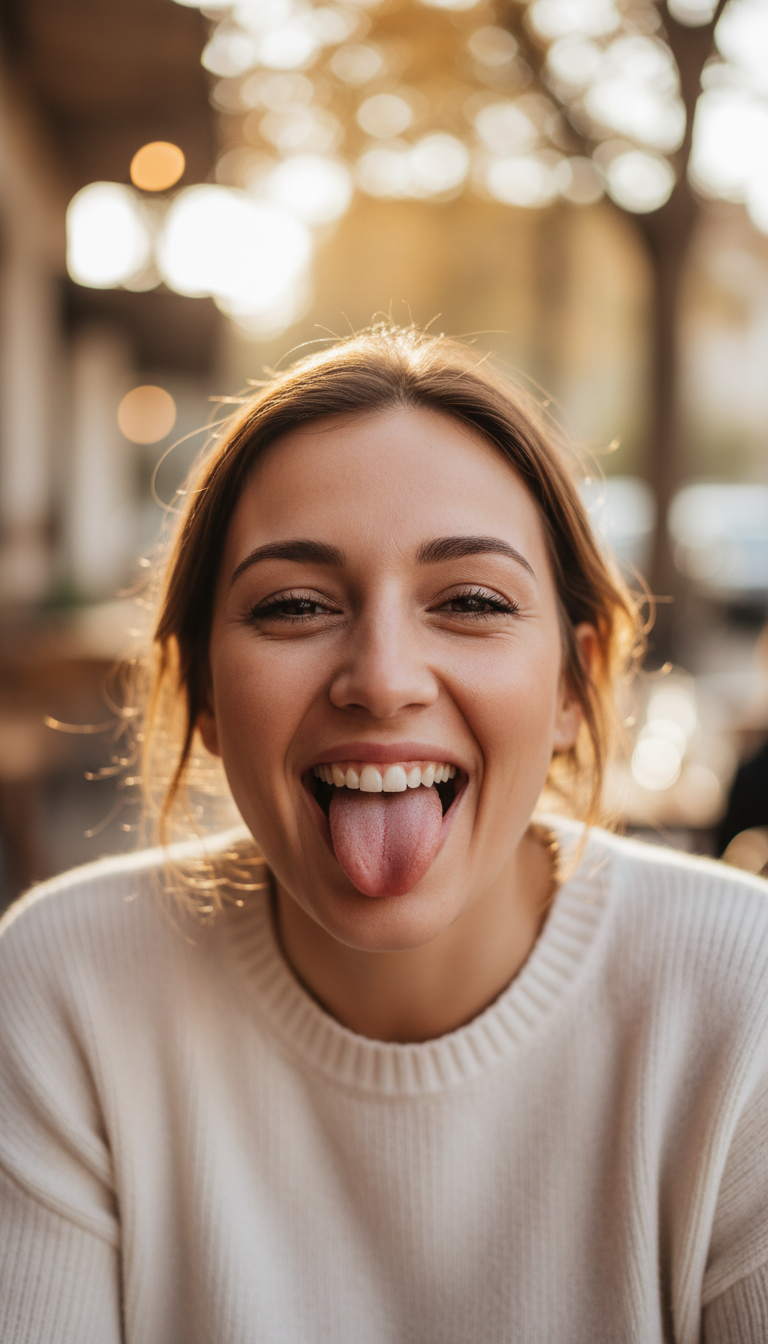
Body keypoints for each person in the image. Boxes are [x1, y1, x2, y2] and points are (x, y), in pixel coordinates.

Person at [1, 324, 767, 1344]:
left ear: (575, 686)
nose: (385, 678)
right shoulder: (65, 989)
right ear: (205, 693)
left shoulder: (743, 997)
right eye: (296, 605)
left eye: (472, 601)